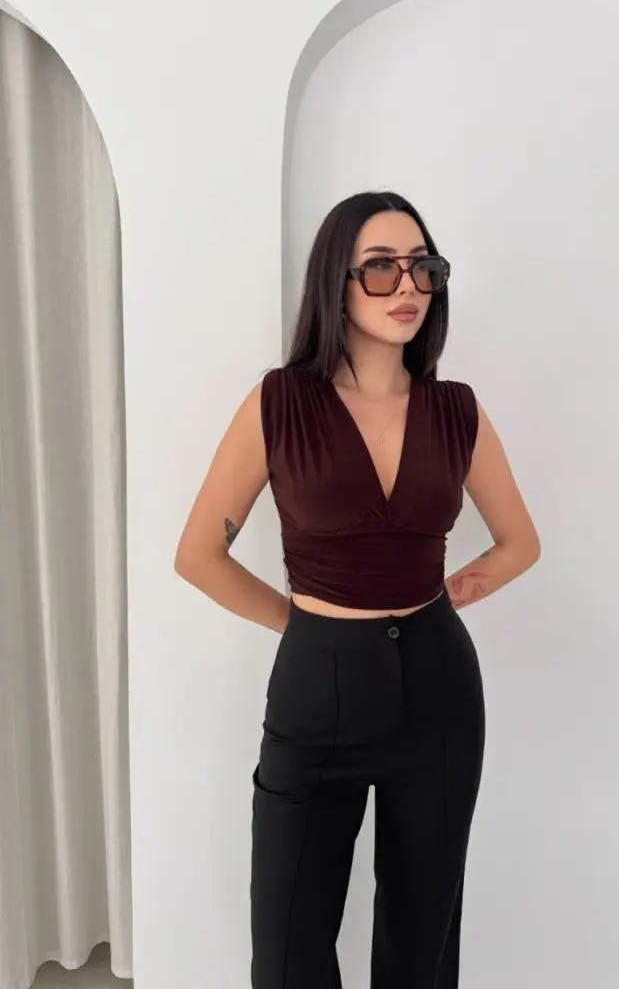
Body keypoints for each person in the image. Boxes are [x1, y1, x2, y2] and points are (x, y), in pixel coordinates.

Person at [174, 190, 541, 988]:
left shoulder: (456, 412)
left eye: (423, 267)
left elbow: (521, 542)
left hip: (439, 693)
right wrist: (307, 629)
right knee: (288, 957)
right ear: (334, 283)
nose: (407, 286)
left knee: (420, 952)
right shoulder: (280, 404)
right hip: (318, 692)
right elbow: (198, 555)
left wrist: (451, 593)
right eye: (380, 267)